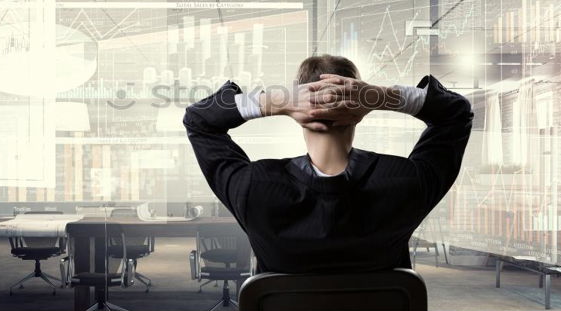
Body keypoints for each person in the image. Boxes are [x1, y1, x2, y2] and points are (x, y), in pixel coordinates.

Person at [183, 55, 473, 274]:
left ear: (297, 104)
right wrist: (380, 96)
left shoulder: (254, 187)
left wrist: (276, 102)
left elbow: (199, 120)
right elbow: (456, 113)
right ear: (361, 109)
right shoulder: (406, 183)